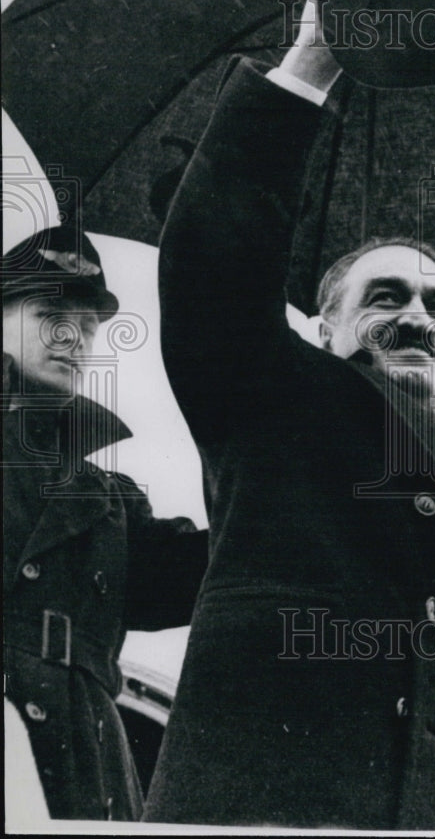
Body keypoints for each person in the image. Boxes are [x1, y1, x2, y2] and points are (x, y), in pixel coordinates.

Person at [143, 0, 435, 829]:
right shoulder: (274, 402)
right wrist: (314, 61)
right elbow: (216, 264)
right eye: (385, 297)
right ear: (322, 330)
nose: (419, 319)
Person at [2, 225, 209, 821]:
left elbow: (220, 571)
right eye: (50, 316)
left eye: (88, 328)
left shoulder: (111, 500)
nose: (73, 338)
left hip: (88, 771)